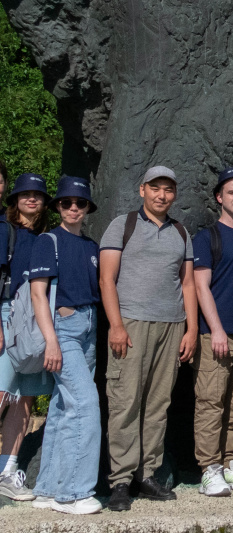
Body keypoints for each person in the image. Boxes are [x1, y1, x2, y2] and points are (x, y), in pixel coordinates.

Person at [99, 166, 197, 512]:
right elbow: (106, 279)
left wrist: (192, 329)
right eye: (155, 188)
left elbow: (188, 283)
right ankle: (120, 480)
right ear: (142, 190)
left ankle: (148, 474)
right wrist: (116, 325)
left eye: (168, 189)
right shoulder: (122, 225)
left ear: (174, 195)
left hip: (171, 326)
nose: (161, 195)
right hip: (131, 323)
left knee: (158, 404)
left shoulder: (181, 232)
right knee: (125, 401)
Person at [28, 177, 102, 514]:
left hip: (89, 328)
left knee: (62, 407)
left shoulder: (91, 246)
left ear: (87, 208)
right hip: (63, 330)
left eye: (80, 203)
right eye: (66, 202)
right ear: (57, 206)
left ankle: (48, 488)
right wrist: (52, 341)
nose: (73, 208)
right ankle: (74, 493)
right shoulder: (48, 241)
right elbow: (37, 294)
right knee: (86, 404)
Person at [192, 168, 233, 497]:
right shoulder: (207, 237)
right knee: (210, 403)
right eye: (232, 192)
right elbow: (200, 286)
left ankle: (231, 463)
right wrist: (216, 329)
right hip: (214, 334)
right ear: (219, 197)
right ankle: (209, 469)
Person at [0, 173, 52, 501]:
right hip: (7, 317)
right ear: (14, 199)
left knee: (25, 397)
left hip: (35, 323)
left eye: (38, 194)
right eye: (25, 194)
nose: (31, 198)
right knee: (2, 392)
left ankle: (6, 470)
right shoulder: (5, 230)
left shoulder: (46, 238)